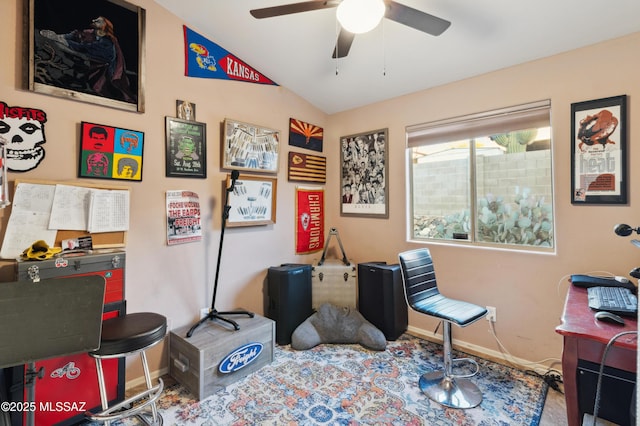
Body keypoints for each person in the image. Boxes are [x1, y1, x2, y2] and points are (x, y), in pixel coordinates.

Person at [40, 16, 135, 102]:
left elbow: (86, 48)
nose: (93, 20)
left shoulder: (107, 42)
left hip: (103, 64)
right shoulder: (90, 33)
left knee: (101, 87)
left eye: (98, 21)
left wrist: (61, 40)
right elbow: (75, 35)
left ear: (104, 25)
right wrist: (58, 36)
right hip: (89, 58)